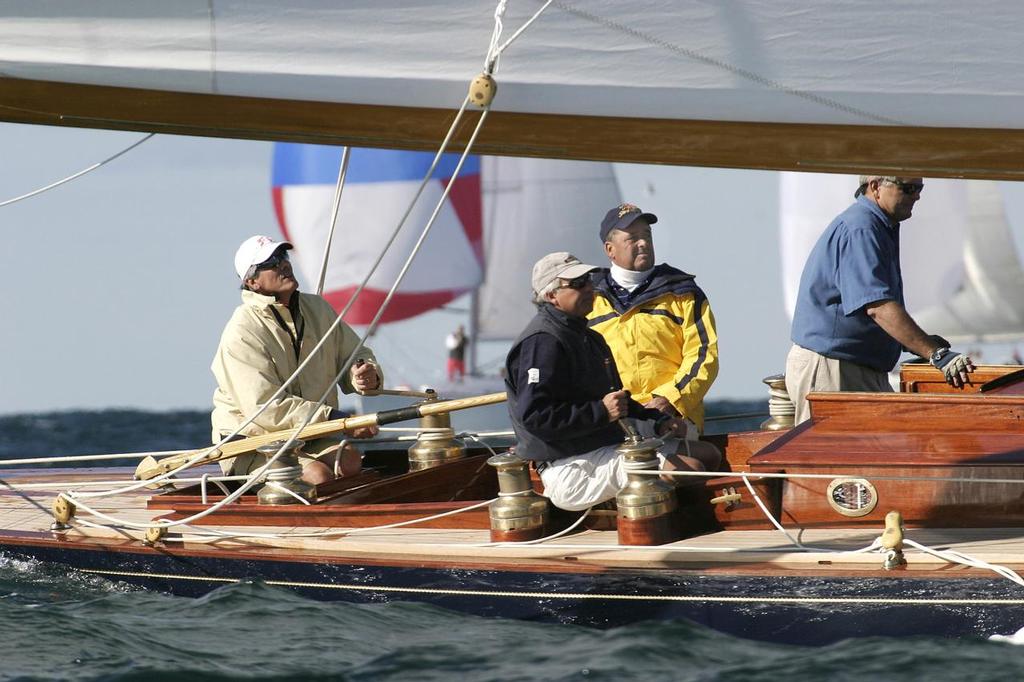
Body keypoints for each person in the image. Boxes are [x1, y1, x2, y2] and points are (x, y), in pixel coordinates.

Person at [505, 251, 721, 512]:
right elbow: (535, 417)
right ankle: (662, 529)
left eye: (588, 280)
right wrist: (601, 412)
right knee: (691, 469)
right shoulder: (543, 342)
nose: (589, 288)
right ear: (551, 296)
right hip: (567, 464)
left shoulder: (588, 337)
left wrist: (660, 420)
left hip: (599, 444)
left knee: (709, 453)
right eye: (577, 284)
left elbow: (617, 399)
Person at [787, 175, 975, 424]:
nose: (916, 195)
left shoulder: (876, 226)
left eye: (919, 188)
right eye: (907, 188)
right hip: (834, 369)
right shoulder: (862, 228)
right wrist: (934, 353)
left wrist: (919, 342)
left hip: (853, 368)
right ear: (875, 187)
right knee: (831, 460)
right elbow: (878, 307)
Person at [211, 235, 383, 485]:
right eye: (270, 262)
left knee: (349, 463)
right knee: (317, 476)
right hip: (252, 443)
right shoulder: (241, 330)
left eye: (283, 256)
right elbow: (265, 408)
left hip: (309, 433)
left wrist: (365, 376)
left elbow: (355, 353)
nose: (282, 264)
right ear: (252, 282)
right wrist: (338, 421)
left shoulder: (318, 308)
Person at [588, 203, 719, 437]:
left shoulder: (684, 293)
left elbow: (703, 356)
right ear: (610, 249)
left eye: (647, 235)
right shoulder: (588, 299)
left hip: (673, 416)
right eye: (633, 238)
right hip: (611, 421)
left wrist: (669, 399)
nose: (643, 243)